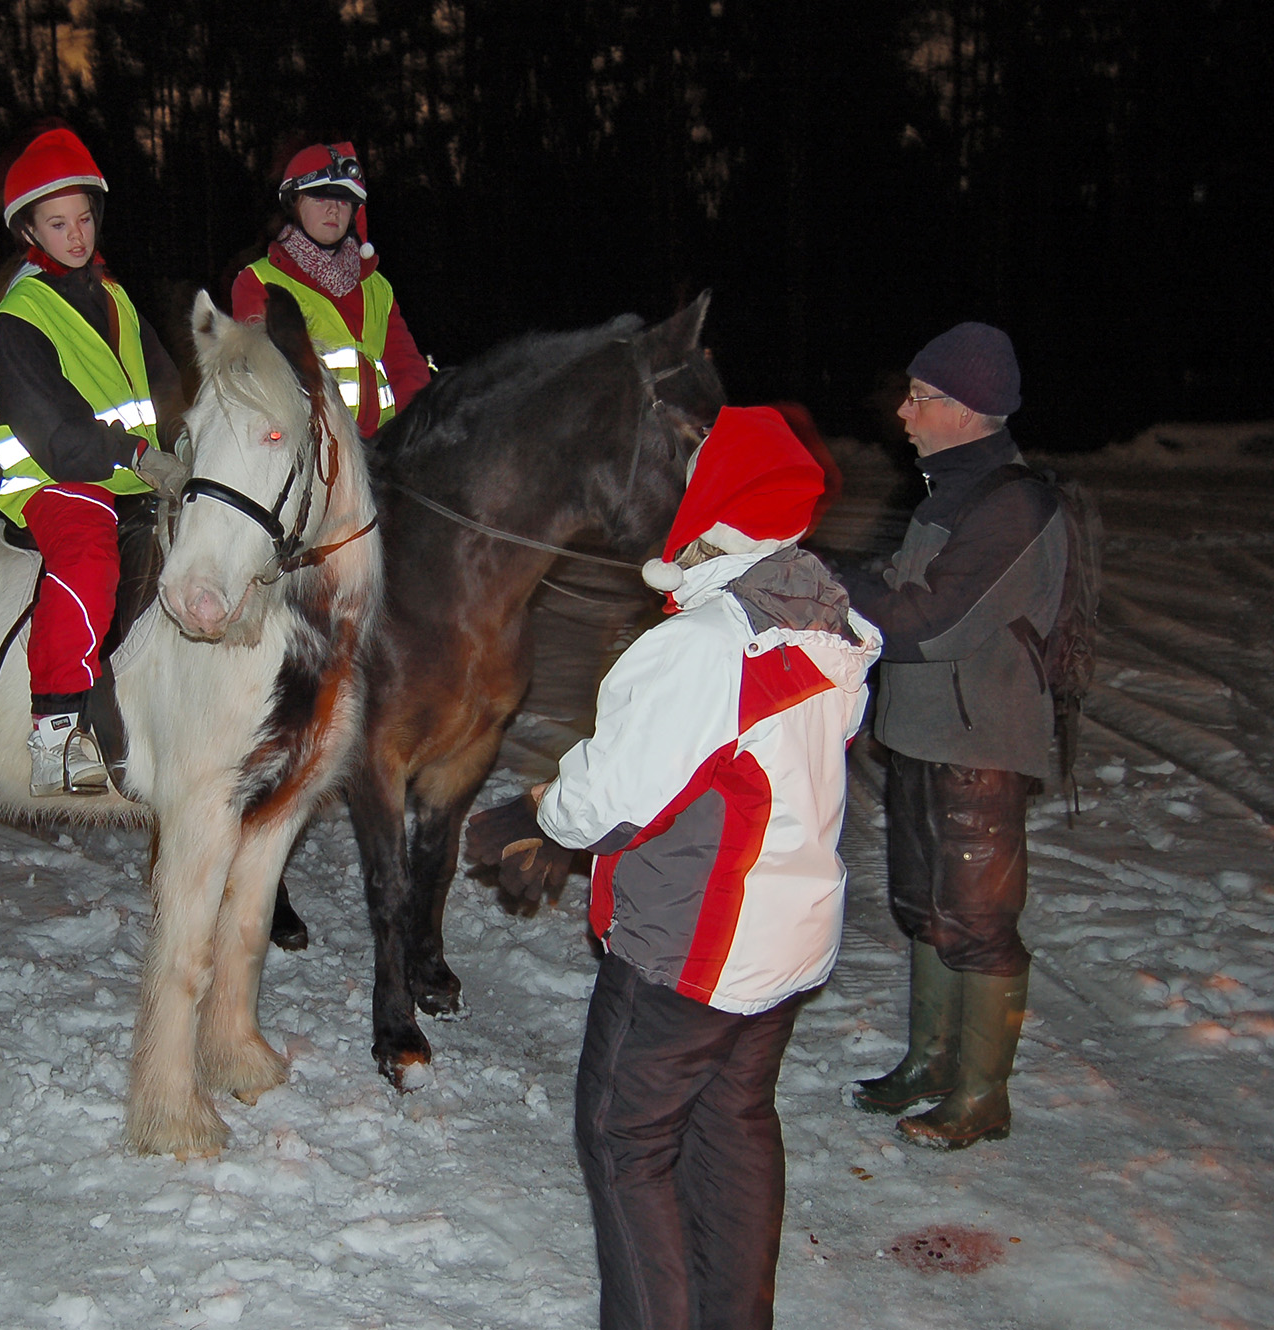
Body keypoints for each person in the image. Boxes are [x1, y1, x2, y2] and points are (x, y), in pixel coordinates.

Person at [466, 406, 881, 1330]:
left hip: (693, 953)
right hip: (785, 941)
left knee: (626, 1139)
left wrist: (540, 813)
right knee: (731, 1126)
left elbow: (611, 799)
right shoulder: (823, 620)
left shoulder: (704, 645)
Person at [839, 322, 1065, 1149]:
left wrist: (826, 575)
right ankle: (931, 1063)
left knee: (978, 921)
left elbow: (926, 623)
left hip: (979, 747)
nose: (904, 409)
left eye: (922, 397)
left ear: (970, 410)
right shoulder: (952, 492)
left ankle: (981, 1095)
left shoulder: (1014, 504)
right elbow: (900, 592)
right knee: (926, 909)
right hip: (927, 736)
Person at [0, 126, 185, 797]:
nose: (76, 235)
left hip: (132, 473)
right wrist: (139, 454)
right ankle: (56, 727)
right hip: (58, 479)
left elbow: (166, 385)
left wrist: (188, 446)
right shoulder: (20, 316)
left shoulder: (113, 297)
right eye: (58, 223)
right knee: (90, 556)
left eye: (84, 219)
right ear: (29, 230)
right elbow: (57, 437)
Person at [229, 141, 430, 437]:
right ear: (294, 204)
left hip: (382, 451)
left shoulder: (376, 287)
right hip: (311, 454)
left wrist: (418, 430)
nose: (334, 209)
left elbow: (407, 369)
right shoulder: (258, 282)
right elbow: (268, 382)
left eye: (344, 200)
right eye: (320, 197)